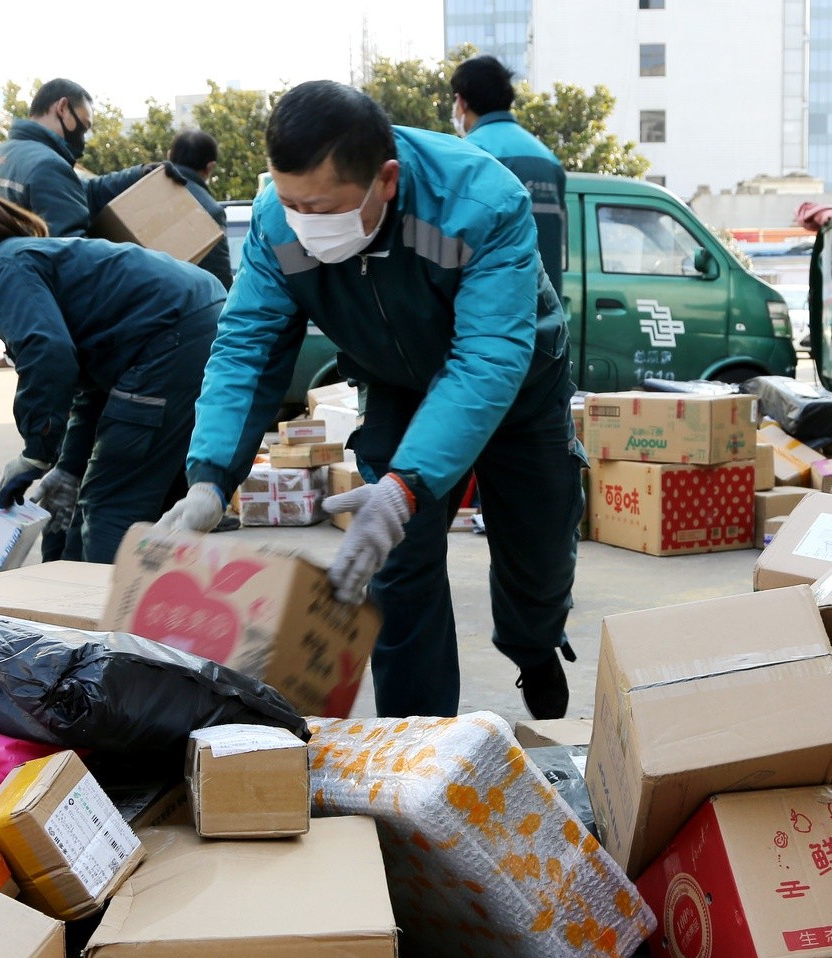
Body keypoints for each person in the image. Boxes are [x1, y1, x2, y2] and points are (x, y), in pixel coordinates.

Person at [157, 80, 583, 720]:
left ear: (386, 180)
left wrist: (406, 484)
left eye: (322, 209)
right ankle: (419, 743)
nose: (302, 223)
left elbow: (488, 357)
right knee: (397, 561)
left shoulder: (480, 202)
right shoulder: (282, 221)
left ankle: (533, 643)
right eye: (290, 200)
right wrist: (209, 480)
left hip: (517, 386)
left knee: (538, 552)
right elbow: (249, 343)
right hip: (400, 384)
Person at [0, 194, 225, 564]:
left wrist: (35, 452)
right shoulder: (31, 258)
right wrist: (65, 467)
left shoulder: (2, 270)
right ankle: (165, 609)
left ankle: (105, 616)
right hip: (190, 322)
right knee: (157, 498)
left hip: (170, 335)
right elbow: (90, 386)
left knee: (110, 505)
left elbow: (47, 356)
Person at [449, 55, 567, 300]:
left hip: (488, 316)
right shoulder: (548, 159)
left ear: (461, 101)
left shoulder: (465, 155)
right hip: (544, 315)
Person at [0, 77, 152, 239]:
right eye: (84, 126)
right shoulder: (46, 165)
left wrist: (140, 173)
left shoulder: (6, 152)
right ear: (63, 107)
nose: (83, 138)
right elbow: (72, 252)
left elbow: (82, 191)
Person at [168, 130, 233, 290]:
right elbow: (219, 277)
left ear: (169, 155)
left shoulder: (138, 188)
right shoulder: (209, 210)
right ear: (210, 167)